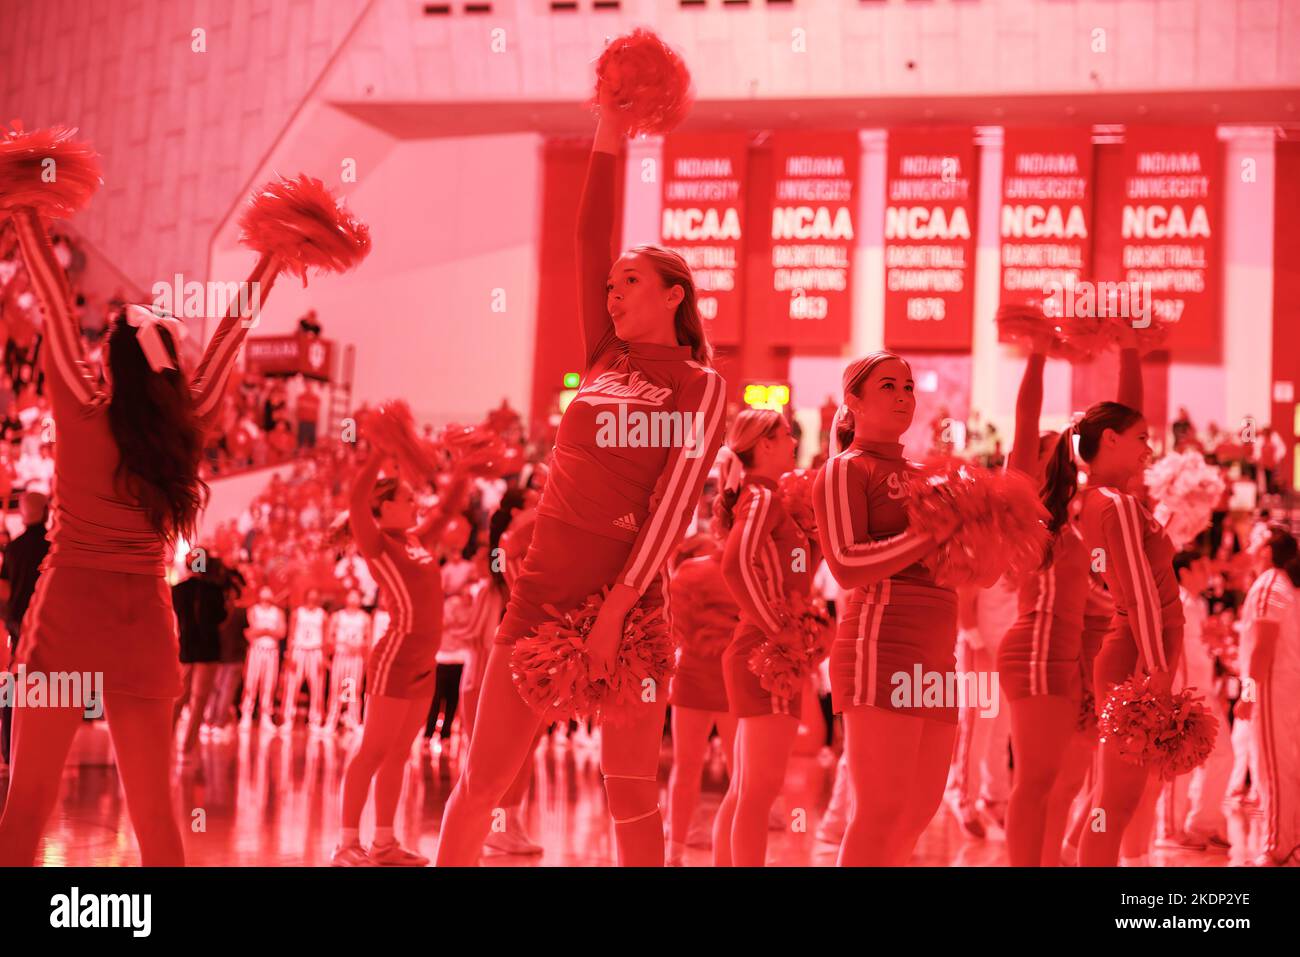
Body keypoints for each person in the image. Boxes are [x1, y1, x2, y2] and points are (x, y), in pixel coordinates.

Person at [435, 82, 725, 867]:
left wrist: (617, 609)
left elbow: (671, 508)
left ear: (675, 294)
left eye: (630, 280)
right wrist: (609, 120)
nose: (612, 290)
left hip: (630, 603)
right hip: (541, 591)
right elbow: (585, 233)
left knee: (630, 788)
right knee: (485, 778)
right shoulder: (605, 352)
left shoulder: (701, 383)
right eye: (609, 285)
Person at [0, 200, 280, 865]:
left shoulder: (78, 402)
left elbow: (54, 305)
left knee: (28, 802)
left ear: (110, 356)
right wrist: (278, 256)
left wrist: (29, 212)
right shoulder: (186, 433)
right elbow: (234, 328)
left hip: (67, 616)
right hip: (146, 632)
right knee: (158, 818)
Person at [998, 328, 1141, 865]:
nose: (1054, 453)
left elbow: (1125, 424)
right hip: (1035, 649)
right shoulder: (1031, 515)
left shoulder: (1086, 515)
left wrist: (1132, 349)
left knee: (1064, 782)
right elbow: (1025, 421)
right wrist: (1036, 351)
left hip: (1073, 657)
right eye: (1045, 449)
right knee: (1035, 781)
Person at [812, 353, 960, 866]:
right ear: (853, 400)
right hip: (881, 645)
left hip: (939, 654)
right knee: (880, 809)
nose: (903, 396)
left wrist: (991, 529)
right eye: (889, 386)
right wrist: (926, 535)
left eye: (909, 387)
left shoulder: (927, 476)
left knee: (921, 809)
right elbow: (847, 565)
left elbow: (965, 573)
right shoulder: (844, 469)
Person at [331, 439, 468, 867]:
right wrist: (381, 451)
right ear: (384, 507)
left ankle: (384, 842)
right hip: (394, 656)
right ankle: (346, 844)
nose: (415, 505)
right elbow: (356, 497)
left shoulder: (416, 540)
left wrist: (467, 467)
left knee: (398, 756)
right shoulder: (378, 542)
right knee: (371, 752)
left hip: (425, 662)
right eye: (407, 499)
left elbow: (446, 511)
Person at [1069, 401, 1184, 867]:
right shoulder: (1113, 503)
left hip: (1134, 646)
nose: (1148, 449)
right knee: (1115, 802)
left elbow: (1136, 580)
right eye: (1141, 438)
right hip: (1136, 653)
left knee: (1114, 797)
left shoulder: (1102, 501)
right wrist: (1154, 667)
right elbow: (1137, 592)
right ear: (1110, 439)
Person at [711, 410, 809, 867]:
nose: (794, 441)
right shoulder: (761, 497)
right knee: (759, 790)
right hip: (764, 651)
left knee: (745, 788)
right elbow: (735, 565)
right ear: (764, 445)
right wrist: (776, 627)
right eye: (787, 434)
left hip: (761, 646)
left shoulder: (761, 496)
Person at [665, 529, 740, 866]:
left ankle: (674, 851)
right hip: (728, 678)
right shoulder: (744, 569)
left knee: (686, 767)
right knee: (740, 773)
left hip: (693, 674)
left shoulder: (687, 571)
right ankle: (732, 853)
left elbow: (675, 624)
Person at [1237, 526, 1300, 866]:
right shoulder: (1287, 584)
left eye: (1256, 540)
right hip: (1288, 687)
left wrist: (1248, 691)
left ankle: (1275, 847)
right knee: (1288, 767)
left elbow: (1262, 646)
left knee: (1272, 768)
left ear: (1266, 551)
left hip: (1274, 688)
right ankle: (1290, 842)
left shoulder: (1269, 585)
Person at [0, 490, 49, 766]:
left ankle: (8, 749)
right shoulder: (51, 545)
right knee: (48, 683)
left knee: (13, 681)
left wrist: (8, 619)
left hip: (18, 621)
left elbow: (4, 587)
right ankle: (38, 748)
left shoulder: (14, 548)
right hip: (44, 620)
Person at [171, 554, 230, 760]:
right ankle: (186, 749)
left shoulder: (178, 590)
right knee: (199, 700)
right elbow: (221, 618)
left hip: (186, 648)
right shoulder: (215, 591)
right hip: (208, 650)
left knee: (178, 698)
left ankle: (165, 741)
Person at [281, 588, 328, 734]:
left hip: (316, 651)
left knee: (317, 687)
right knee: (292, 686)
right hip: (299, 650)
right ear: (306, 597)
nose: (313, 599)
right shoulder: (298, 613)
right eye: (310, 596)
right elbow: (291, 634)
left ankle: (315, 720)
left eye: (316, 597)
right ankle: (287, 719)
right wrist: (289, 654)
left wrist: (324, 657)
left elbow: (325, 637)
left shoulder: (322, 615)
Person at [324, 589, 371, 734]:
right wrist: (340, 644)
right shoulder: (337, 616)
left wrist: (359, 648)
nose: (353, 599)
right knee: (336, 688)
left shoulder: (364, 618)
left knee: (353, 690)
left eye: (356, 596)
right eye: (350, 595)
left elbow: (368, 639)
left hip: (355, 658)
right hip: (340, 655)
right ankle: (332, 720)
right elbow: (329, 637)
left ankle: (353, 720)